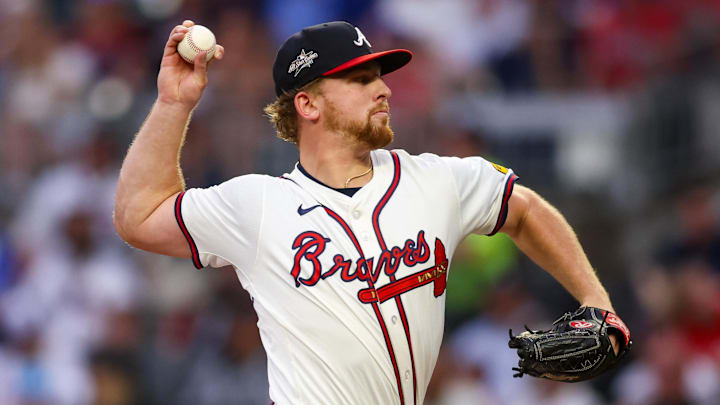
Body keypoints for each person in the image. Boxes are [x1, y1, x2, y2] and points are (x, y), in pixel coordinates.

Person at [114, 20, 622, 405]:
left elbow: (524, 209)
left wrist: (596, 299)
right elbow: (139, 216)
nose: (383, 89)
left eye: (378, 76)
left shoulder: (436, 179)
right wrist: (172, 104)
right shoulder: (258, 205)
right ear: (308, 105)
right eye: (359, 79)